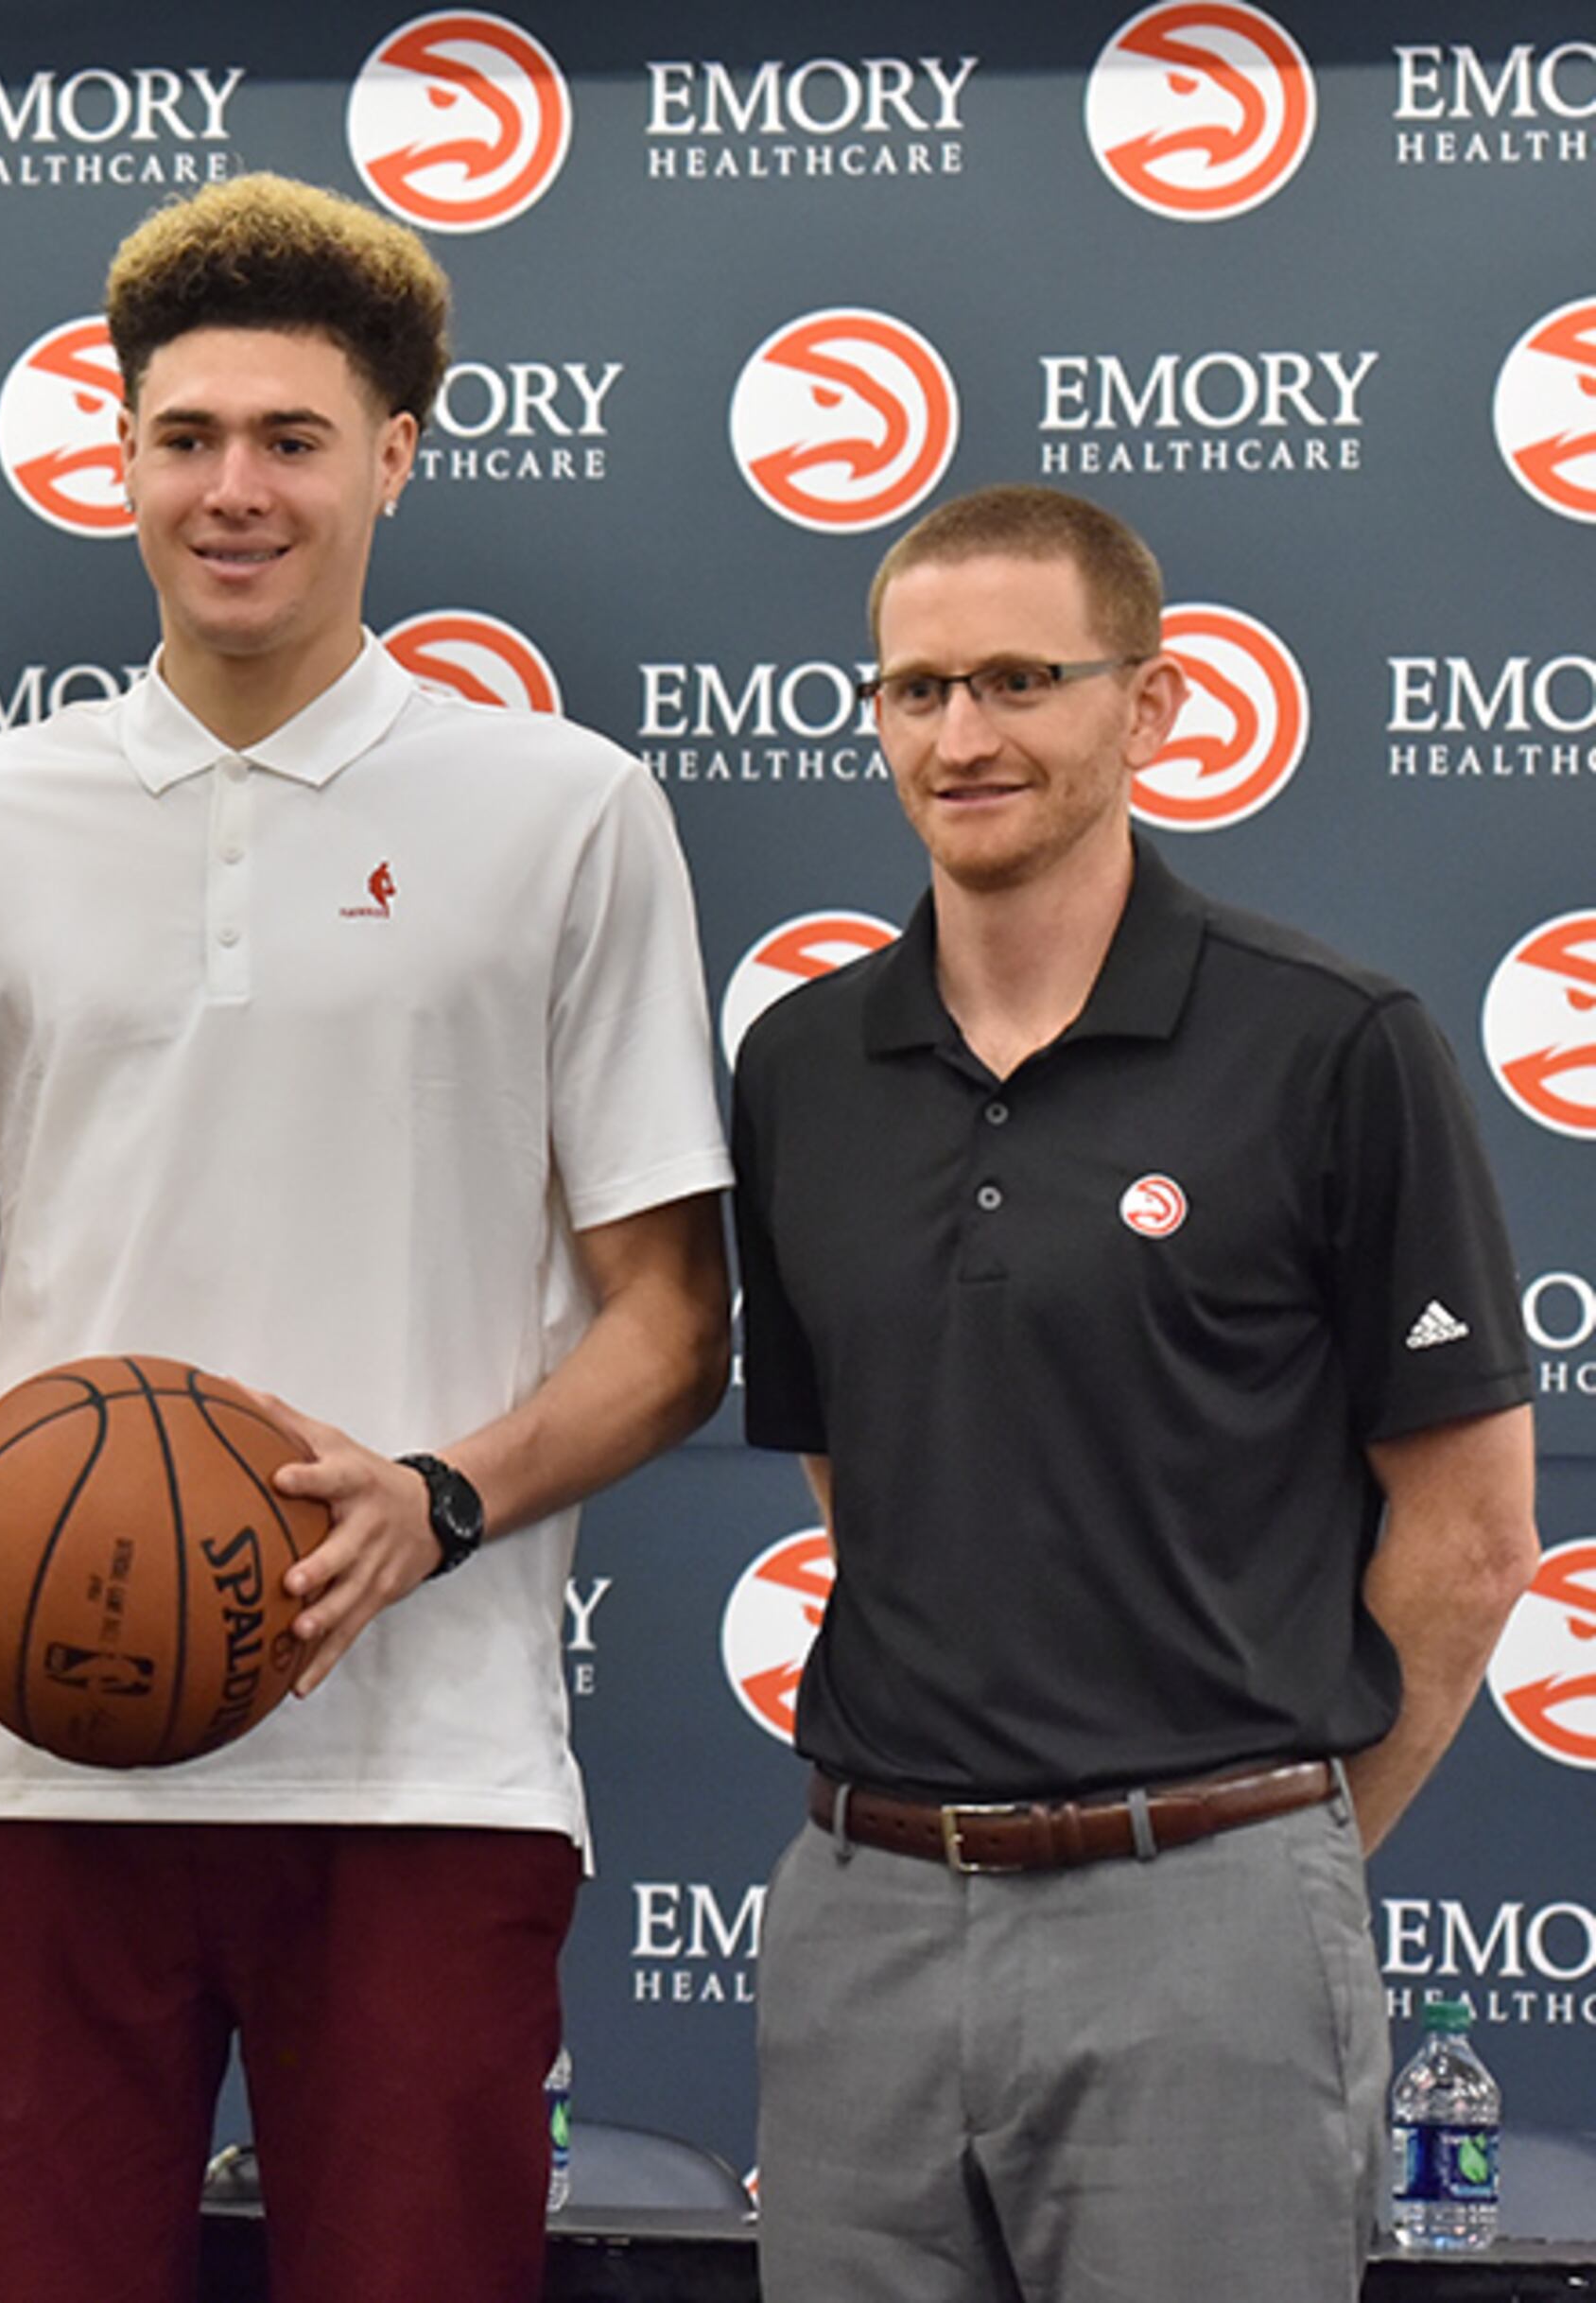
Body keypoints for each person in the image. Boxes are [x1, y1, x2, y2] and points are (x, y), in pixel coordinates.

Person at [0, 174, 734, 2303]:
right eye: (184, 438)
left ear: (395, 456)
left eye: (292, 439)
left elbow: (667, 1321)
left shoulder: (567, 807)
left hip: (431, 1768)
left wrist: (435, 1504)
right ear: (121, 451)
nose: (231, 490)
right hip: (34, 1762)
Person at [732, 482, 1541, 2302]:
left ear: (1151, 706)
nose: (965, 735)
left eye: (1022, 679)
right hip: (862, 1918)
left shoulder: (1332, 1044)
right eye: (919, 690)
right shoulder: (800, 1066)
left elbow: (1478, 1532)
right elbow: (861, 1485)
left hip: (1211, 1923)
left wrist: (1270, 1853)